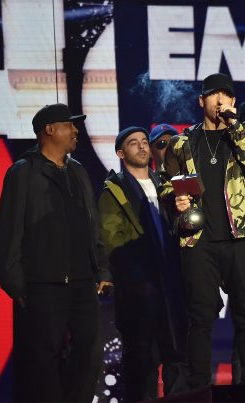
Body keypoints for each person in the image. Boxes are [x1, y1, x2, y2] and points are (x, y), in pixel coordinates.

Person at [0, 103, 113, 402]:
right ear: (50, 130)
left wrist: (102, 269)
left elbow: (92, 223)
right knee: (42, 360)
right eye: (69, 125)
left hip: (82, 282)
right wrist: (14, 282)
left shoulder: (78, 171)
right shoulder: (23, 172)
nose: (76, 131)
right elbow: (10, 229)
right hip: (42, 284)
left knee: (89, 353)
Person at [160, 73, 245, 388]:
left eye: (225, 95)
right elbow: (167, 184)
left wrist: (234, 125)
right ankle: (198, 388)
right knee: (200, 319)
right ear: (201, 101)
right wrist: (174, 199)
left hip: (241, 238)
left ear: (233, 102)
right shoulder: (182, 142)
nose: (219, 101)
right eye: (212, 95)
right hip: (199, 241)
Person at [98, 127, 188, 401]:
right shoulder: (114, 192)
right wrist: (137, 281)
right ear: (120, 153)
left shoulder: (166, 185)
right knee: (143, 362)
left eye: (143, 142)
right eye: (132, 143)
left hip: (172, 287)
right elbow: (114, 242)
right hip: (141, 291)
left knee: (179, 357)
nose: (141, 147)